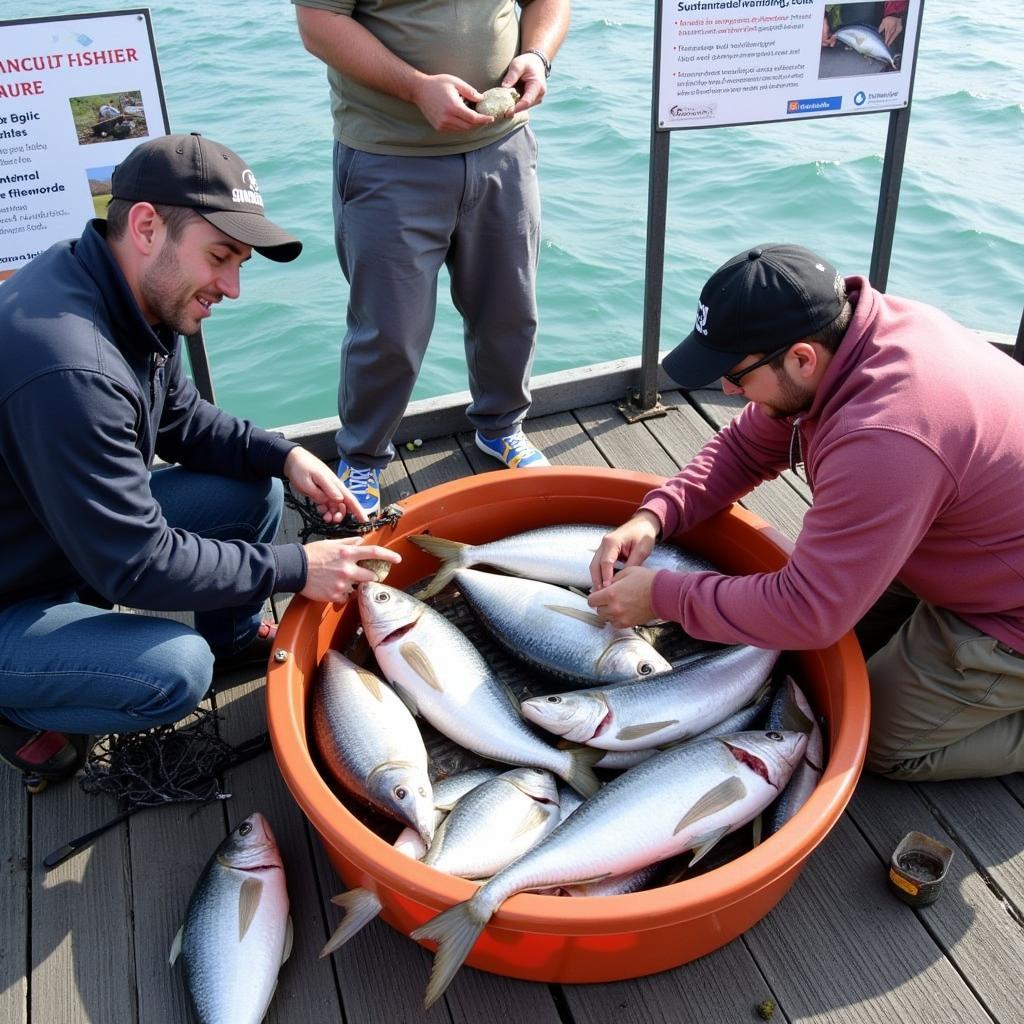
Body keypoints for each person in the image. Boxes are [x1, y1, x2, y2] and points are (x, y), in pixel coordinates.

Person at [0, 132, 401, 786]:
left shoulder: (124, 286)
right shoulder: (69, 366)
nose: (233, 287)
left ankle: (236, 637)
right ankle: (16, 704)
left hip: (57, 535)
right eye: (220, 257)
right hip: (15, 592)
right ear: (147, 226)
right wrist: (298, 565)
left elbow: (179, 418)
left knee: (256, 488)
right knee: (175, 672)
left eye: (239, 262)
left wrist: (286, 455)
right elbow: (135, 565)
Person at [587, 243, 1024, 782]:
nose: (726, 389)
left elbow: (811, 611)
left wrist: (659, 595)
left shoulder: (884, 439)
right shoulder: (851, 337)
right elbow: (744, 449)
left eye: (737, 375)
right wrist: (654, 515)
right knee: (819, 660)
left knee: (877, 741)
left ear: (800, 357)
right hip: (951, 538)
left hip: (1007, 610)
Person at [292, 0, 571, 516]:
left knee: (510, 310)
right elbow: (318, 23)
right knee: (389, 330)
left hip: (504, 145)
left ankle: (501, 427)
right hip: (387, 154)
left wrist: (537, 55)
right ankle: (364, 456)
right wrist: (417, 86)